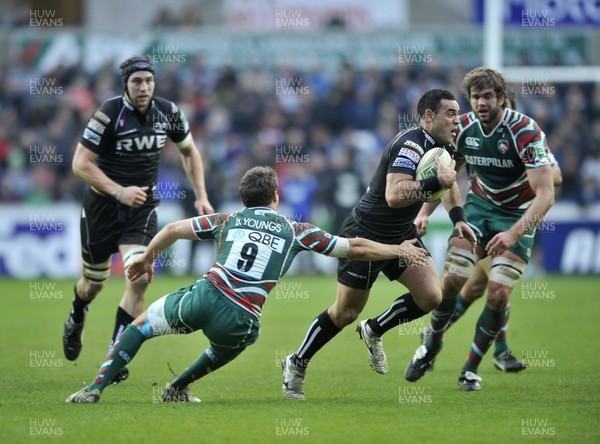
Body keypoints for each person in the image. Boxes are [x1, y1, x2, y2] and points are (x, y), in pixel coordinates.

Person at [65, 166, 428, 403]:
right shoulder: (295, 230)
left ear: (244, 198)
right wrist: (397, 249)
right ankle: (177, 388)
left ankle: (93, 389)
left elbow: (173, 230)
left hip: (205, 295)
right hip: (242, 316)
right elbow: (354, 247)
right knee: (241, 339)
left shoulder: (228, 219)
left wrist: (147, 258)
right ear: (275, 197)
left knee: (140, 326)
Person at [281, 89, 477, 400]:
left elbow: (449, 181)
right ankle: (297, 361)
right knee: (345, 313)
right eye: (450, 114)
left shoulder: (444, 145)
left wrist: (459, 218)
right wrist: (433, 183)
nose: (457, 120)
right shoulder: (411, 146)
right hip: (366, 234)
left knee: (430, 296)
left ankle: (374, 329)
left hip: (402, 233)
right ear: (429, 116)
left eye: (457, 113)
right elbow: (394, 195)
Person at [62, 55, 214, 384]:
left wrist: (200, 195)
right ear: (126, 85)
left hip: (141, 210)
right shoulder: (108, 114)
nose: (143, 87)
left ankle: (114, 352)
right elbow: (80, 164)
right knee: (93, 284)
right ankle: (76, 315)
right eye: (136, 82)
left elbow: (190, 151)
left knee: (140, 277)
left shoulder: (169, 113)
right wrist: (118, 192)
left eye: (148, 81)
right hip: (103, 209)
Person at [401, 67, 555, 391]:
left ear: (501, 98)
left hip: (517, 216)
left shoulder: (525, 131)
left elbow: (547, 194)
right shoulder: (464, 129)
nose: (481, 102)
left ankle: (470, 369)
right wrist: (424, 212)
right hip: (478, 211)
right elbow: (449, 175)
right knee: (453, 282)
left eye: (487, 96)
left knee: (498, 295)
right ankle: (431, 346)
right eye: (475, 97)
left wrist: (513, 233)